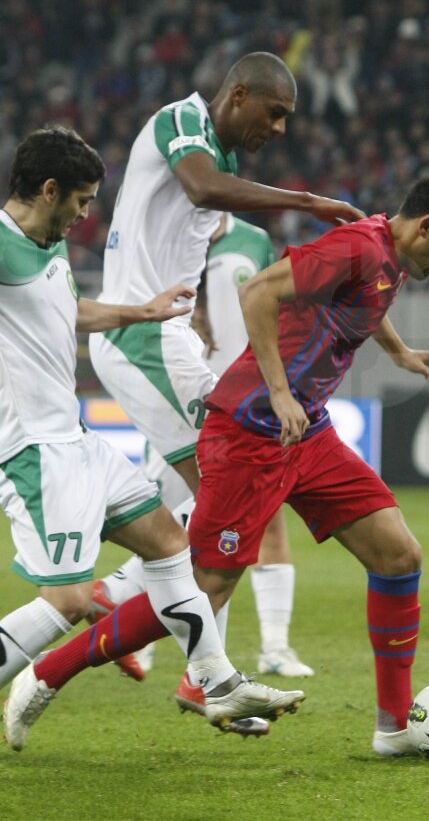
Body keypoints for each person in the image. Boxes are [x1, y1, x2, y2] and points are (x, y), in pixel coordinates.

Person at [0, 127, 303, 770]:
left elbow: (70, 311)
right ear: (48, 191)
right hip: (30, 452)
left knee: (169, 545)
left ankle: (216, 679)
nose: (86, 213)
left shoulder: (49, 245)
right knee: (69, 601)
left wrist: (141, 312)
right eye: (82, 199)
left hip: (76, 441)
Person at [4, 170, 429, 757]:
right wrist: (281, 390)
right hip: (250, 433)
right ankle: (46, 672)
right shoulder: (358, 244)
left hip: (307, 434)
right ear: (428, 226)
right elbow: (258, 291)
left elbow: (369, 299)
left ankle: (393, 728)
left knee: (398, 555)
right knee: (203, 589)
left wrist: (401, 352)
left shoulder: (385, 257)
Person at [87, 52, 361, 702]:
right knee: (230, 485)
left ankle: (155, 626)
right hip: (140, 337)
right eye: (276, 113)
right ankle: (190, 662)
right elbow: (202, 187)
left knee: (226, 490)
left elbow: (182, 238)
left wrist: (199, 322)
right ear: (238, 95)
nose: (281, 129)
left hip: (172, 338)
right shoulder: (182, 122)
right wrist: (310, 202)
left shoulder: (227, 160)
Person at [95, 214, 315, 684]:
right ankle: (153, 639)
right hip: (177, 385)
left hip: (239, 395)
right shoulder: (170, 235)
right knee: (185, 530)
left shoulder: (253, 239)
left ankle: (272, 647)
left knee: (251, 518)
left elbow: (270, 301)